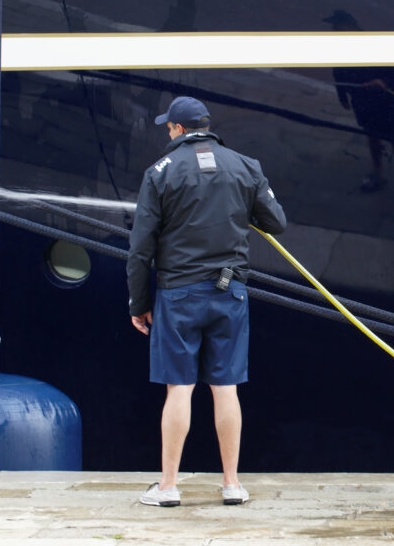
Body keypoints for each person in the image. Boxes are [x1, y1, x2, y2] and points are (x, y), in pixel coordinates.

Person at [127, 96, 287, 508]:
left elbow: (140, 249)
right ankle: (232, 485)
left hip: (178, 296)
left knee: (178, 389)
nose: (167, 132)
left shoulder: (159, 173)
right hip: (229, 293)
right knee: (225, 388)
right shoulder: (244, 165)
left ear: (179, 129)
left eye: (168, 127)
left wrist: (138, 303)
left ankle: (167, 489)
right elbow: (276, 222)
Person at [325, 10, 394, 193]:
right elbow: (338, 74)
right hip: (361, 104)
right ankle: (378, 175)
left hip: (383, 104)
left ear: (350, 26)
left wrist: (383, 82)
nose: (334, 31)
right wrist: (342, 96)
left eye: (337, 27)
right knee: (372, 139)